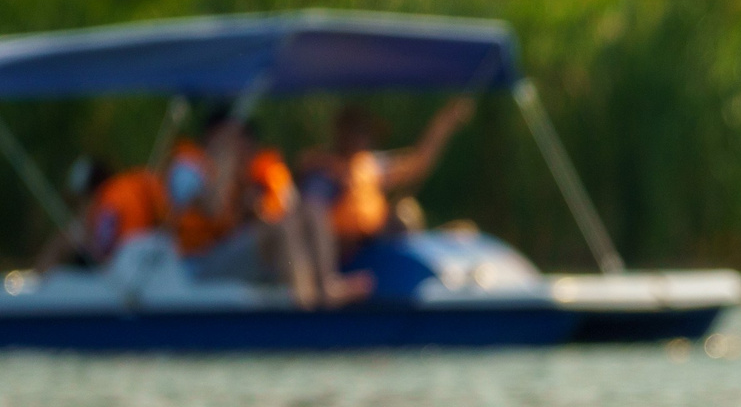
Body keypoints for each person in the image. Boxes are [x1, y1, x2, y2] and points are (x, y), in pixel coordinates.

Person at [167, 107, 361, 309]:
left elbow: (287, 209)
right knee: (281, 229)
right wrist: (222, 160)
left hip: (239, 255)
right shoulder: (187, 168)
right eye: (236, 140)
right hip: (197, 265)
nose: (244, 148)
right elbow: (211, 208)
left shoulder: (251, 174)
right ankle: (305, 304)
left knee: (311, 211)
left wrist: (253, 206)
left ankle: (326, 284)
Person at [298, 98, 474, 278]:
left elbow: (418, 163)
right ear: (341, 133)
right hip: (335, 252)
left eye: (365, 132)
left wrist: (444, 123)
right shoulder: (321, 172)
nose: (363, 138)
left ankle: (438, 249)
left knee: (406, 212)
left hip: (371, 244)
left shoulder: (371, 165)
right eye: (357, 131)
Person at [33, 154, 169, 269]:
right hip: (158, 257)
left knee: (62, 243)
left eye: (81, 201)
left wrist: (72, 240)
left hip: (130, 264)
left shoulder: (108, 202)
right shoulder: (129, 185)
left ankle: (39, 281)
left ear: (89, 193)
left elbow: (102, 250)